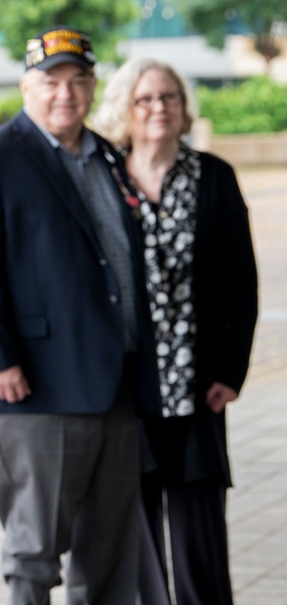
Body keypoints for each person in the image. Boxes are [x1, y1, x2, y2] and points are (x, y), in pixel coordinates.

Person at [0, 27, 155, 604]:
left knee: (111, 557)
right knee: (34, 556)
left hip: (115, 385)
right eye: (50, 82)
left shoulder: (107, 156)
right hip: (36, 388)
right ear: (25, 87)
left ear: (92, 87)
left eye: (77, 80)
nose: (65, 93)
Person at [90, 58, 258, 605]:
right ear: (125, 110)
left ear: (183, 108)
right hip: (126, 389)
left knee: (200, 535)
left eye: (169, 98)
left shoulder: (214, 177)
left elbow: (242, 282)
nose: (158, 108)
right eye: (145, 99)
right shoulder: (104, 179)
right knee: (134, 536)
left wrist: (231, 372)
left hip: (197, 386)